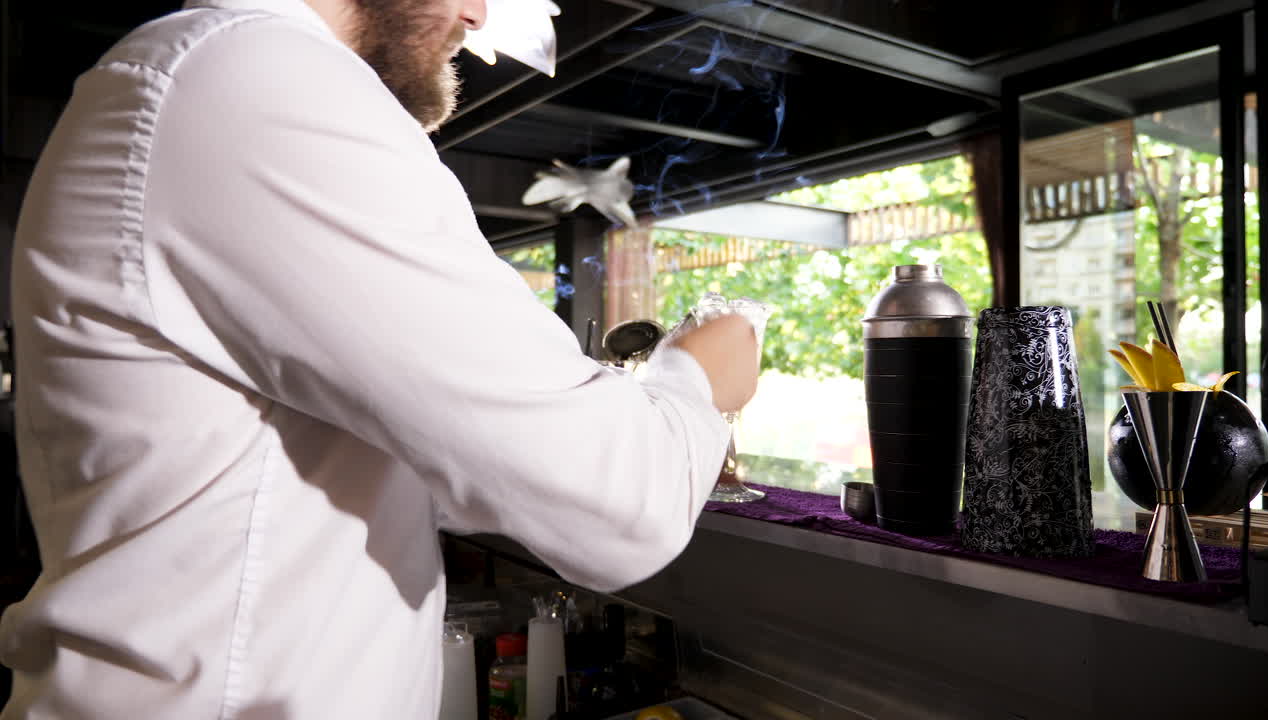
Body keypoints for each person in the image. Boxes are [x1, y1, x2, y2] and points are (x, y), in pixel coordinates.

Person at [0, 0, 760, 717]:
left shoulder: (196, 78)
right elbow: (615, 501)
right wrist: (696, 374)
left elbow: (445, 457)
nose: (481, 15)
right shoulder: (261, 78)